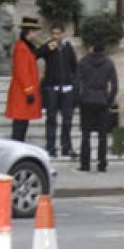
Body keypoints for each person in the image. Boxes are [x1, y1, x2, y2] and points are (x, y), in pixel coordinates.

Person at [37, 23, 79, 158]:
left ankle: (66, 147)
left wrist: (74, 83)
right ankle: (50, 147)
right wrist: (47, 49)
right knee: (51, 119)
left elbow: (74, 66)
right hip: (52, 88)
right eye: (53, 34)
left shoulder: (68, 48)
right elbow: (36, 55)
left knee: (67, 120)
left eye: (58, 34)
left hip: (67, 88)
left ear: (63, 34)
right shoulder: (48, 46)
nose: (56, 36)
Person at [76, 43, 118, 173]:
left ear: (91, 48)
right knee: (103, 135)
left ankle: (85, 164)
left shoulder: (83, 62)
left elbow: (77, 83)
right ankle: (102, 164)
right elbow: (115, 85)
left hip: (87, 99)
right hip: (102, 100)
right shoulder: (109, 63)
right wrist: (109, 100)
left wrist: (79, 99)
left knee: (86, 134)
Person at [4, 16, 43, 142]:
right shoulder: (21, 48)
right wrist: (29, 91)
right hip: (22, 93)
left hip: (24, 92)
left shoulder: (26, 47)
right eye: (35, 31)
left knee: (23, 123)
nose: (36, 34)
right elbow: (22, 72)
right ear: (30, 32)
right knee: (19, 124)